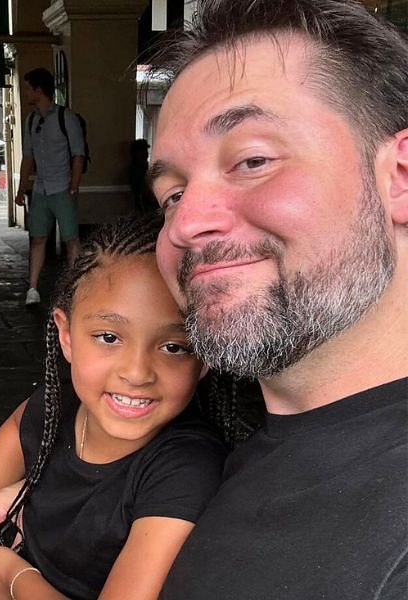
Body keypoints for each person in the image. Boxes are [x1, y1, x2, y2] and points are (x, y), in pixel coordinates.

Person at [146, 1, 408, 597]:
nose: (186, 224)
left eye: (253, 161)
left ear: (399, 176)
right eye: (171, 193)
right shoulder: (226, 422)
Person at [0, 216, 229, 599]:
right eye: (109, 337)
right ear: (66, 335)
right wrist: (4, 505)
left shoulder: (185, 469)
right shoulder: (59, 403)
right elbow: (16, 430)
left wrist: (11, 579)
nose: (136, 373)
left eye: (173, 346)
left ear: (206, 358)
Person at [15, 67, 85, 306]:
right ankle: (32, 289)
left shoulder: (67, 118)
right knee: (37, 238)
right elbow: (28, 157)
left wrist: (74, 187)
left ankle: (75, 288)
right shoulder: (31, 119)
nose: (25, 93)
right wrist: (22, 188)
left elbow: (78, 154)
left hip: (62, 187)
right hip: (41, 189)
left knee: (71, 240)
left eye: (27, 88)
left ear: (38, 89)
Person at [127, 139, 158, 213]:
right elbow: (140, 190)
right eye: (143, 151)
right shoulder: (136, 169)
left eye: (146, 150)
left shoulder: (146, 166)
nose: (146, 153)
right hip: (146, 206)